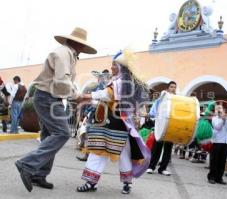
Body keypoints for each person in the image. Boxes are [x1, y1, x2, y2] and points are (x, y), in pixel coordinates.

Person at [15, 27, 97, 192]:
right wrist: (77, 95)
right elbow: (62, 81)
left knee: (48, 136)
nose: (82, 49)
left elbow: (62, 82)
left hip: (50, 98)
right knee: (62, 133)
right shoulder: (62, 54)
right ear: (76, 43)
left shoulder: (68, 55)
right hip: (48, 98)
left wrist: (75, 96)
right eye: (82, 45)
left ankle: (39, 174)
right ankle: (27, 164)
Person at [76, 50, 151, 194]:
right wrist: (88, 100)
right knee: (98, 151)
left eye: (114, 65)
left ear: (121, 67)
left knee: (123, 154)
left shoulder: (122, 81)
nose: (111, 67)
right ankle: (91, 181)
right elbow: (107, 102)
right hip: (107, 123)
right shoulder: (118, 80)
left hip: (118, 124)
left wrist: (86, 95)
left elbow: (107, 95)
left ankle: (127, 182)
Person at [76, 69, 110, 162]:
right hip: (96, 113)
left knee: (91, 134)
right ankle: (88, 155)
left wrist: (88, 111)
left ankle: (89, 156)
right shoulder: (102, 87)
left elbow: (95, 102)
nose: (100, 79)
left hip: (97, 113)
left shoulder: (102, 87)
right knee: (90, 134)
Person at [146, 81, 177, 176]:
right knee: (156, 147)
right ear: (168, 88)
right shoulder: (161, 99)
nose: (173, 89)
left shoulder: (177, 101)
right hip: (160, 126)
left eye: (175, 87)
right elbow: (152, 112)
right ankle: (151, 167)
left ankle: (163, 168)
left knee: (168, 149)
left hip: (171, 127)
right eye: (171, 87)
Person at [207, 103, 227, 185]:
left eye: (220, 108)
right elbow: (217, 127)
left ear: (223, 110)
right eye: (217, 109)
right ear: (215, 110)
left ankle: (219, 178)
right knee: (214, 160)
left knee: (222, 161)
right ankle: (211, 177)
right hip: (217, 141)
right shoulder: (214, 118)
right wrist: (223, 120)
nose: (219, 110)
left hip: (225, 142)